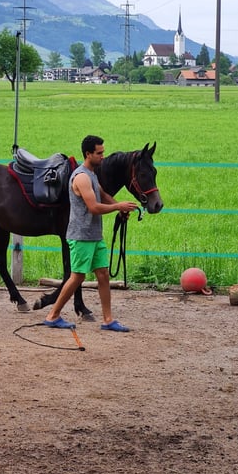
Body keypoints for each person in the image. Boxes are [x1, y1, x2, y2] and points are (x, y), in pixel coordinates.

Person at [43, 135, 139, 332]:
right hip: (81, 236)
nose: (103, 156)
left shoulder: (92, 174)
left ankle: (108, 320)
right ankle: (53, 316)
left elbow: (102, 195)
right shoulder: (82, 177)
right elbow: (94, 207)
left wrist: (118, 207)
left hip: (94, 235)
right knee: (77, 276)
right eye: (99, 153)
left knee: (103, 274)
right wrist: (119, 206)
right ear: (88, 154)